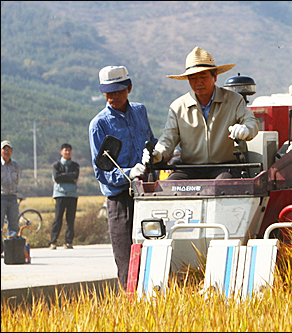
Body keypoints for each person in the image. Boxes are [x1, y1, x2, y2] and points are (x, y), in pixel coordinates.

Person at [142, 46, 259, 180]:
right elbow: (169, 137)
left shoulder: (233, 100)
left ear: (215, 76)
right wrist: (157, 153)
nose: (198, 83)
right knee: (170, 186)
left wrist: (245, 129)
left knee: (224, 185)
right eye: (193, 78)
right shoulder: (178, 107)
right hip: (190, 168)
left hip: (224, 166)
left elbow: (251, 122)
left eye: (203, 76)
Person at [89, 65, 157, 289]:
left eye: (117, 91)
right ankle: (131, 302)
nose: (113, 97)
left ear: (129, 88)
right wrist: (129, 172)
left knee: (154, 250)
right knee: (126, 256)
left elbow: (151, 142)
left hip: (147, 192)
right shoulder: (99, 124)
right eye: (108, 92)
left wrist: (157, 152)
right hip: (120, 198)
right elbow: (101, 172)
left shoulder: (140, 111)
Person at [48, 143, 80, 250]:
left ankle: (68, 241)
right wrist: (69, 177)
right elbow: (57, 177)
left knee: (70, 219)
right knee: (58, 218)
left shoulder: (75, 165)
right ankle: (53, 241)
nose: (67, 152)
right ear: (61, 152)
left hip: (72, 195)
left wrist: (64, 177)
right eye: (65, 150)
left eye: (69, 150)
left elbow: (75, 176)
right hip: (60, 194)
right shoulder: (56, 165)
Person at [1, 140, 20, 256]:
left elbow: (17, 180)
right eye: (4, 149)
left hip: (12, 196)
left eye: (9, 150)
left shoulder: (15, 165)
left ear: (12, 151)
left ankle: (11, 250)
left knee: (13, 225)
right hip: (1, 196)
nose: (7, 152)